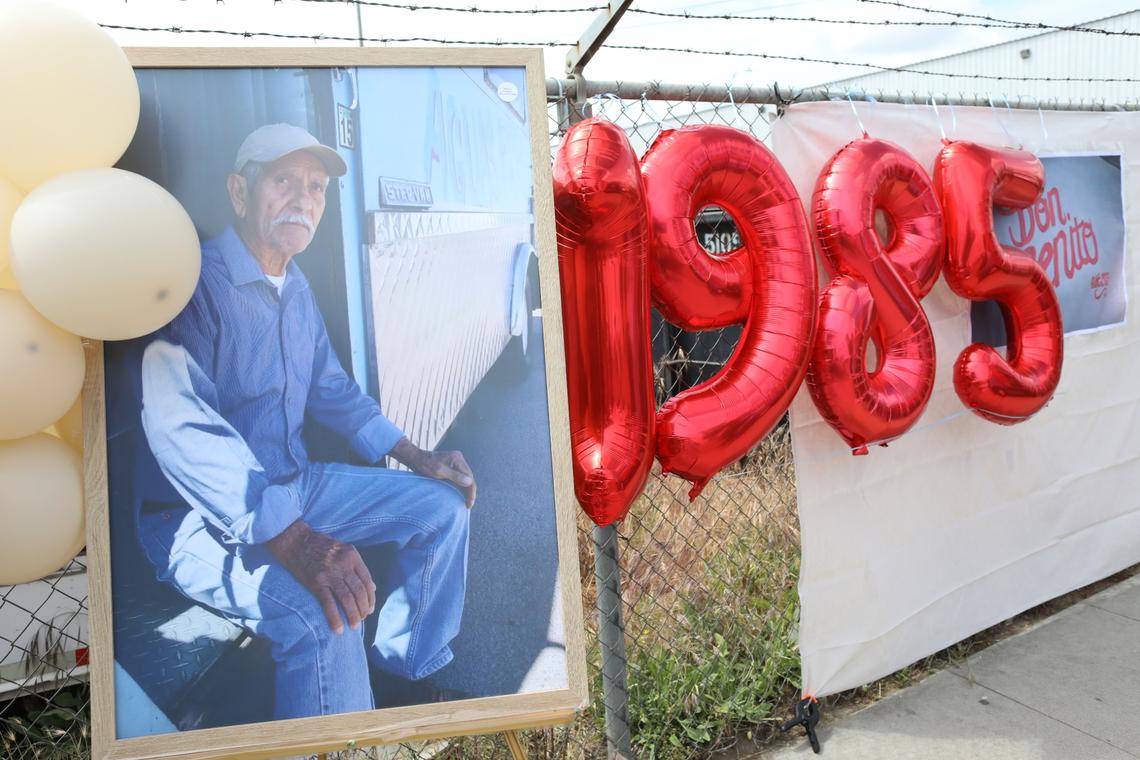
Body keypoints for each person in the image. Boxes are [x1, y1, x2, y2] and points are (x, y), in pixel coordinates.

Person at [135, 123, 475, 720]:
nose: (304, 198)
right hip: (198, 517)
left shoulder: (295, 285)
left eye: (316, 187)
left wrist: (421, 457)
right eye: (284, 180)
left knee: (441, 508)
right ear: (240, 193)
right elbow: (181, 429)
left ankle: (400, 682)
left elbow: (333, 390)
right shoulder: (195, 286)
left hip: (296, 482)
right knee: (327, 616)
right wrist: (294, 539)